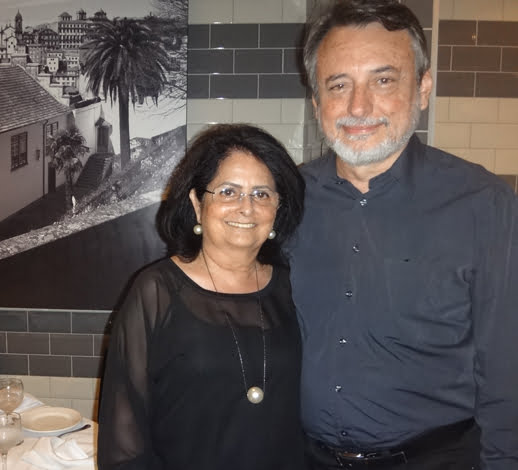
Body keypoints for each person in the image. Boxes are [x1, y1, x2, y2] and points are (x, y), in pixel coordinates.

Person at [284, 1, 518, 469]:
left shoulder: (483, 204)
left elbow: (507, 370)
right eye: (338, 85)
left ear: (423, 89)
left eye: (383, 80)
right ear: (316, 103)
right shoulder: (287, 199)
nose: (358, 107)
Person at [98, 124, 307, 470]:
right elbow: (124, 441)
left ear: (278, 208)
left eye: (261, 194)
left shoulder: (293, 286)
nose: (246, 207)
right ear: (197, 204)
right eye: (228, 191)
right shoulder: (156, 292)